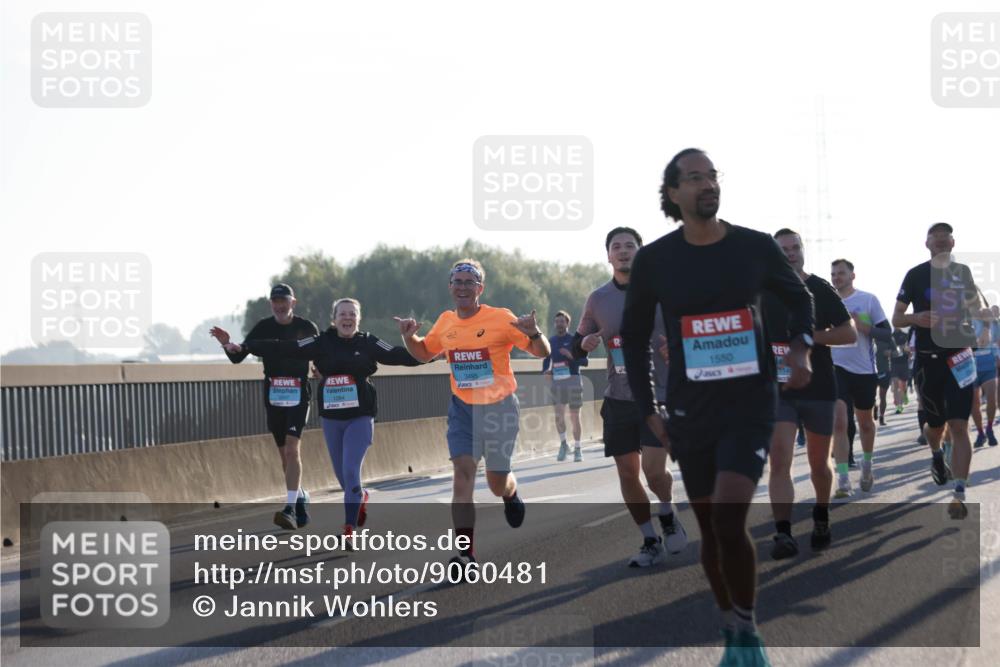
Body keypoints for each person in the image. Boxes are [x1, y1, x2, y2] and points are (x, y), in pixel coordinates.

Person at [623, 148, 814, 665]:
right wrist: (649, 409)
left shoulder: (753, 246)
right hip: (690, 408)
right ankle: (731, 628)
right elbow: (634, 339)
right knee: (710, 527)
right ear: (673, 193)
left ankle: (749, 634)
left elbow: (800, 299)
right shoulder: (655, 260)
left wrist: (800, 348)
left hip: (751, 403)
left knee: (729, 519)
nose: (708, 184)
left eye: (712, 176)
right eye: (694, 178)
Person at [395, 259, 550, 571]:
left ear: (480, 289)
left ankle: (510, 494)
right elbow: (424, 353)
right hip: (463, 409)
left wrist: (535, 333)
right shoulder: (446, 322)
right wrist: (408, 338)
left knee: (496, 483)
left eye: (470, 282)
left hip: (499, 407)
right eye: (458, 282)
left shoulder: (500, 318)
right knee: (462, 475)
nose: (463, 287)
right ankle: (466, 555)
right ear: (450, 287)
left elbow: (541, 351)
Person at [225, 298, 422, 541]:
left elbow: (398, 355)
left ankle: (348, 531)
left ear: (358, 319)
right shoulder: (321, 342)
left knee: (350, 471)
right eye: (342, 314)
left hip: (360, 416)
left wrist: (435, 352)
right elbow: (285, 347)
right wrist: (246, 347)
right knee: (343, 477)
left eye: (352, 314)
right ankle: (360, 496)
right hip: (332, 418)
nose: (347, 318)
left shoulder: (368, 342)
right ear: (334, 319)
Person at [572, 226, 687, 568]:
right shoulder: (598, 299)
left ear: (641, 252)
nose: (623, 251)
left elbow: (690, 332)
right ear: (608, 256)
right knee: (627, 473)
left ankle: (666, 511)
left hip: (658, 395)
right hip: (619, 396)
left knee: (653, 471)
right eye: (616, 246)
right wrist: (583, 345)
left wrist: (677, 348)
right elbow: (576, 344)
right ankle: (650, 540)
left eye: (630, 246)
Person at [763, 230, 854, 559]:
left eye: (795, 247)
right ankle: (783, 533)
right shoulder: (762, 291)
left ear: (803, 250)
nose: (790, 253)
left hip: (818, 387)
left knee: (818, 463)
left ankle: (821, 514)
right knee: (779, 459)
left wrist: (808, 337)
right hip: (779, 389)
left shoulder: (818, 288)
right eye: (783, 249)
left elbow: (849, 333)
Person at [892, 222, 982, 519]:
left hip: (959, 357)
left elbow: (975, 308)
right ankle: (936, 453)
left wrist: (986, 316)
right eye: (936, 238)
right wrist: (916, 317)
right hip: (927, 362)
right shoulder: (915, 275)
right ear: (927, 243)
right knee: (935, 426)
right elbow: (897, 319)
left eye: (946, 238)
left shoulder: (963, 273)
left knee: (959, 426)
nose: (941, 242)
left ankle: (959, 493)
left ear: (953, 243)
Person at [210, 284, 319, 530]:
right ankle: (300, 496)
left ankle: (289, 508)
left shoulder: (306, 326)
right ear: (271, 304)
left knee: (292, 450)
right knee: (283, 456)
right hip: (273, 395)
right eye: (275, 301)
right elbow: (239, 355)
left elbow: (320, 352)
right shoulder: (263, 327)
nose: (279, 306)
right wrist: (227, 344)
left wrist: (319, 367)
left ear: (293, 302)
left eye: (283, 301)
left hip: (298, 393)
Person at [830, 259, 892, 496]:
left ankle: (867, 465)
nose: (836, 277)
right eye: (833, 274)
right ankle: (843, 479)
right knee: (839, 422)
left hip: (864, 370)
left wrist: (865, 328)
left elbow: (886, 333)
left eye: (841, 273)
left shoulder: (867, 300)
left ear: (852, 276)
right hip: (836, 368)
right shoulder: (827, 301)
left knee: (865, 423)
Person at [542, 310, 588, 462]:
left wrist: (571, 356)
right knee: (558, 416)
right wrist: (545, 371)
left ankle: (578, 448)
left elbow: (585, 362)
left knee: (575, 417)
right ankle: (563, 445)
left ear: (567, 323)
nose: (559, 324)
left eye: (562, 321)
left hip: (573, 382)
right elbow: (546, 362)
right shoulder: (551, 341)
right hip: (558, 384)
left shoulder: (575, 340)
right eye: (557, 322)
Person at [971, 302, 998, 447]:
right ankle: (980, 433)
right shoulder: (963, 320)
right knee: (974, 403)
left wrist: (997, 356)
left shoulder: (992, 320)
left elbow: (996, 341)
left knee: (991, 399)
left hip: (988, 364)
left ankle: (989, 428)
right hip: (970, 366)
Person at [889, 327, 911, 414]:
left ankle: (905, 395)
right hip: (894, 363)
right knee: (896, 385)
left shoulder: (905, 335)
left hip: (904, 363)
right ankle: (899, 406)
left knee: (903, 385)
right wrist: (891, 352)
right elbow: (886, 350)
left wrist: (906, 350)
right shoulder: (890, 336)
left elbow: (910, 350)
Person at [874, 335, 893, 425]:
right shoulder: (867, 335)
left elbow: (897, 352)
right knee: (871, 395)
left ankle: (881, 416)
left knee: (882, 396)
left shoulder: (887, 337)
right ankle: (874, 406)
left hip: (884, 371)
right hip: (870, 371)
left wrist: (890, 352)